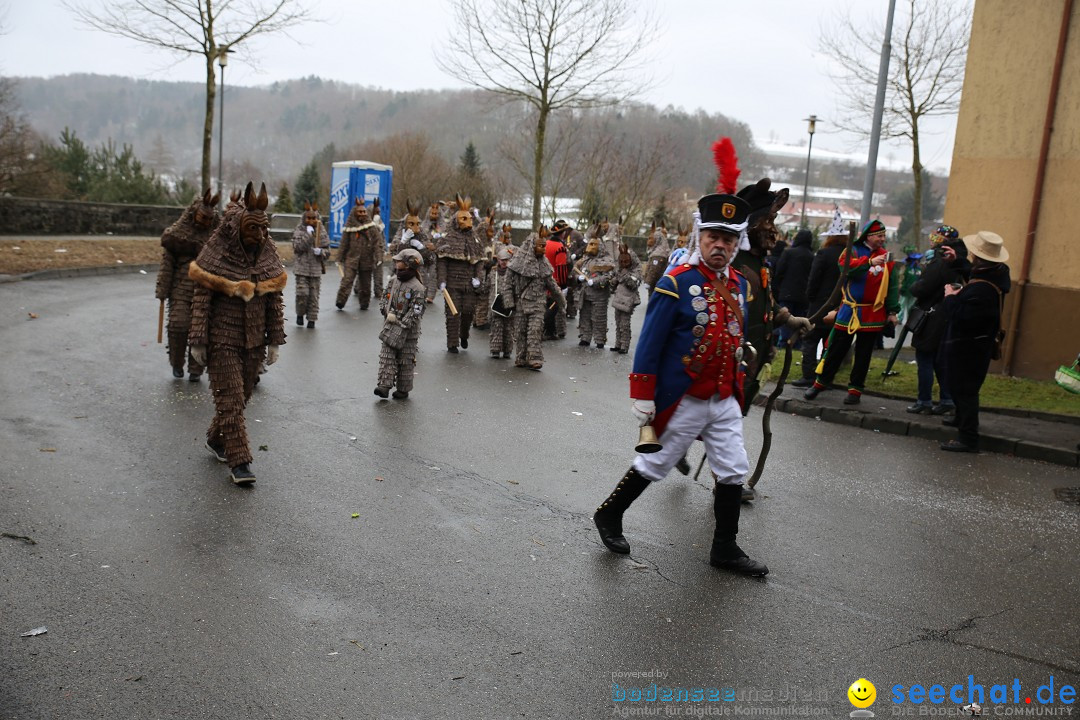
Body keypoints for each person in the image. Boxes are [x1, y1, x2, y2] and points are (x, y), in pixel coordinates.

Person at [591, 192, 768, 577]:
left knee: (733, 467)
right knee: (656, 461)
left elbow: (734, 337)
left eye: (728, 239)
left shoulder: (739, 285)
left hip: (723, 396)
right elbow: (651, 343)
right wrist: (642, 394)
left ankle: (725, 547)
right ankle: (609, 514)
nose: (720, 246)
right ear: (699, 238)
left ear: (738, 243)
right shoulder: (676, 283)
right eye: (712, 238)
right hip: (683, 396)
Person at [188, 182, 287, 485]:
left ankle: (217, 440)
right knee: (229, 400)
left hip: (254, 341)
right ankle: (240, 462)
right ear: (238, 228)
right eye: (252, 229)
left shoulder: (266, 255)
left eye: (262, 230)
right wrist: (198, 340)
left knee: (240, 397)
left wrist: (274, 341)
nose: (258, 236)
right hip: (222, 339)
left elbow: (273, 302)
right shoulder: (217, 253)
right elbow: (202, 301)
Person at [804, 219, 900, 405]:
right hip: (849, 310)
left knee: (864, 354)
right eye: (879, 236)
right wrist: (870, 262)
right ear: (869, 236)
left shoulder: (887, 257)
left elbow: (893, 286)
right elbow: (845, 269)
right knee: (835, 349)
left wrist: (892, 311)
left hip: (872, 312)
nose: (882, 239)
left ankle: (855, 390)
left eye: (883, 236)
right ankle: (820, 383)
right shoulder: (852, 251)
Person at [939, 231, 1010, 452]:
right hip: (976, 344)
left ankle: (968, 438)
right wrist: (957, 261)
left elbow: (963, 318)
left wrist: (950, 297)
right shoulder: (996, 274)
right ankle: (960, 420)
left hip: (969, 346)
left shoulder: (981, 289)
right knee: (961, 386)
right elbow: (973, 272)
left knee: (965, 390)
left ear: (978, 257)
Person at [155, 188, 220, 381]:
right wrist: (162, 290)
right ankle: (176, 362)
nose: (205, 223)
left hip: (205, 291)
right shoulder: (177, 236)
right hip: (180, 289)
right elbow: (167, 265)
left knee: (201, 331)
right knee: (178, 326)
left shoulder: (216, 238)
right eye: (202, 218)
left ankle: (196, 368)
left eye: (209, 220)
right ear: (193, 214)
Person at [906, 225, 970, 415]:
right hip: (946, 314)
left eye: (938, 236)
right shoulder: (958, 262)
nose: (934, 238)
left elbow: (923, 287)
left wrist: (914, 286)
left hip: (933, 316)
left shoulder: (941, 262)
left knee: (925, 358)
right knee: (940, 361)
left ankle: (924, 400)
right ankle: (947, 399)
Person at [792, 220, 846, 388]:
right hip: (840, 306)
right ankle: (824, 377)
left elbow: (814, 279)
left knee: (810, 339)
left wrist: (811, 297)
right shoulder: (848, 255)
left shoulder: (823, 254)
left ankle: (808, 375)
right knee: (830, 343)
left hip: (820, 304)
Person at [436, 193, 487, 352]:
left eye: (470, 218)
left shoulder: (475, 239)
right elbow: (442, 260)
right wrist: (442, 280)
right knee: (453, 314)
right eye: (464, 219)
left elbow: (479, 261)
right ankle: (452, 344)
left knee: (468, 312)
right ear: (456, 221)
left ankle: (464, 335)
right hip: (452, 283)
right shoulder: (448, 238)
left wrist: (478, 278)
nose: (469, 222)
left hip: (469, 284)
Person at [509, 228, 565, 370]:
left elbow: (552, 285)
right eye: (541, 246)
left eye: (544, 246)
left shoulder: (544, 265)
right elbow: (507, 284)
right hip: (521, 303)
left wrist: (561, 300)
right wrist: (508, 301)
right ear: (532, 246)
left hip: (538, 304)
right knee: (521, 331)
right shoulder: (518, 263)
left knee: (535, 330)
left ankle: (534, 358)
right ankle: (521, 357)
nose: (544, 249)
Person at [375, 249, 427, 400]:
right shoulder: (393, 281)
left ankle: (403, 389)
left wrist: (402, 324)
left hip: (408, 332)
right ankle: (384, 386)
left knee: (406, 360)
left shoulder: (418, 288)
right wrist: (385, 311)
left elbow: (416, 310)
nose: (396, 262)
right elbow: (385, 297)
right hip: (390, 326)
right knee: (387, 357)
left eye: (399, 261)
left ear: (408, 264)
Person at [335, 198, 384, 311]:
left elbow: (377, 243)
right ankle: (340, 301)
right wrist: (339, 258)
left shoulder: (371, 228)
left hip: (366, 259)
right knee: (346, 281)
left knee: (365, 285)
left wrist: (379, 257)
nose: (362, 214)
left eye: (364, 212)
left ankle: (364, 303)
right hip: (351, 259)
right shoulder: (350, 228)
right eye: (360, 212)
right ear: (355, 213)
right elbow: (344, 244)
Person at [573, 232, 616, 348]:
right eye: (590, 243)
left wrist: (596, 281)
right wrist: (578, 278)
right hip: (585, 294)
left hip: (599, 295)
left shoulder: (607, 260)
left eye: (593, 244)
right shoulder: (585, 260)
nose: (590, 246)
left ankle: (599, 340)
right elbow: (576, 272)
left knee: (599, 318)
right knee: (584, 316)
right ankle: (585, 338)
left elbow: (609, 275)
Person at [290, 201, 329, 328]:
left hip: (316, 269)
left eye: (314, 218)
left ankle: (311, 320)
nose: (311, 220)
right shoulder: (299, 230)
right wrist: (309, 236)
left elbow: (327, 251)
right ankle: (300, 314)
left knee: (313, 297)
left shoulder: (321, 231)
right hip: (302, 268)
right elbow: (297, 247)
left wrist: (321, 252)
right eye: (309, 218)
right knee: (302, 294)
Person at [772, 228, 814, 345]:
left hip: (787, 292)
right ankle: (796, 343)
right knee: (800, 321)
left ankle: (784, 342)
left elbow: (779, 272)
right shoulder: (812, 256)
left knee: (785, 319)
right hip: (803, 295)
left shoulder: (788, 253)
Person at [610, 243, 642, 354]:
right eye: (621, 262)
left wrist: (624, 275)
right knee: (618, 323)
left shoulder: (636, 271)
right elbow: (613, 283)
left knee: (624, 324)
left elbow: (633, 284)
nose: (623, 264)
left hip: (628, 300)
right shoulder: (618, 270)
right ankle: (618, 344)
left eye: (626, 262)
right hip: (619, 298)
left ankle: (624, 345)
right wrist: (614, 280)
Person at [543, 222, 570, 340]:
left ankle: (550, 331)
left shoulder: (546, 243)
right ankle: (545, 331)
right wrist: (563, 286)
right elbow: (561, 267)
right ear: (563, 233)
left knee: (547, 306)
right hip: (555, 281)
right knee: (553, 308)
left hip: (543, 279)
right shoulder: (560, 248)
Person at [487, 246, 515, 359]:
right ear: (498, 260)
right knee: (496, 326)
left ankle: (507, 350)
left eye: (506, 260)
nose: (504, 262)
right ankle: (495, 350)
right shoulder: (493, 273)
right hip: (495, 303)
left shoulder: (513, 274)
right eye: (502, 260)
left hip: (509, 303)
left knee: (508, 328)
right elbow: (486, 287)